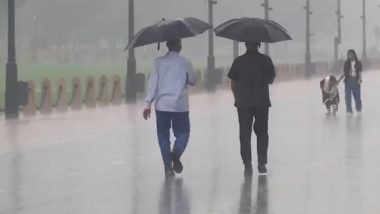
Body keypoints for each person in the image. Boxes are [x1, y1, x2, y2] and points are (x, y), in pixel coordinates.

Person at [143, 39, 197, 177]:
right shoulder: (185, 62)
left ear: (167, 45)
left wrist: (147, 104)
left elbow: (152, 84)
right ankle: (175, 154)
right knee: (183, 133)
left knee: (163, 136)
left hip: (162, 105)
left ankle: (168, 167)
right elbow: (193, 81)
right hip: (180, 105)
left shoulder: (158, 62)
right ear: (179, 45)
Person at [228, 42, 276, 176]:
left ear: (245, 44)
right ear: (259, 44)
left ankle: (247, 165)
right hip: (261, 101)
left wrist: (236, 96)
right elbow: (271, 80)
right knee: (262, 133)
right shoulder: (266, 60)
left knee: (244, 134)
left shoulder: (238, 61)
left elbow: (233, 82)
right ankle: (261, 163)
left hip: (243, 103)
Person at [343, 49, 363, 116]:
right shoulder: (346, 63)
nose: (350, 55)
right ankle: (349, 110)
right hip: (348, 81)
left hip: (356, 80)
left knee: (357, 96)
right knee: (347, 96)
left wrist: (359, 79)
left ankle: (358, 109)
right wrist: (339, 79)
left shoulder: (358, 63)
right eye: (348, 54)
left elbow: (360, 72)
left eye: (351, 54)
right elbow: (344, 73)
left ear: (354, 54)